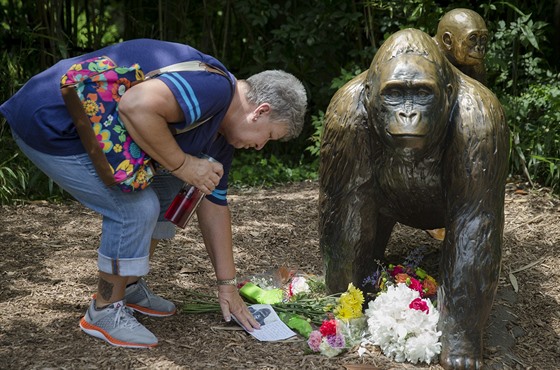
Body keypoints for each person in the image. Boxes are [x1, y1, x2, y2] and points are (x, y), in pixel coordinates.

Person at [0, 38, 307, 348]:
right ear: (260, 111)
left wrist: (227, 286)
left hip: (86, 130)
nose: (259, 146)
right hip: (50, 123)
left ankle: (129, 287)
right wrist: (184, 164)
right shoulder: (213, 89)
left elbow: (213, 204)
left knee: (173, 188)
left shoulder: (221, 137)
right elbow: (136, 106)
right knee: (135, 207)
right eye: (268, 136)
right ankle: (104, 310)